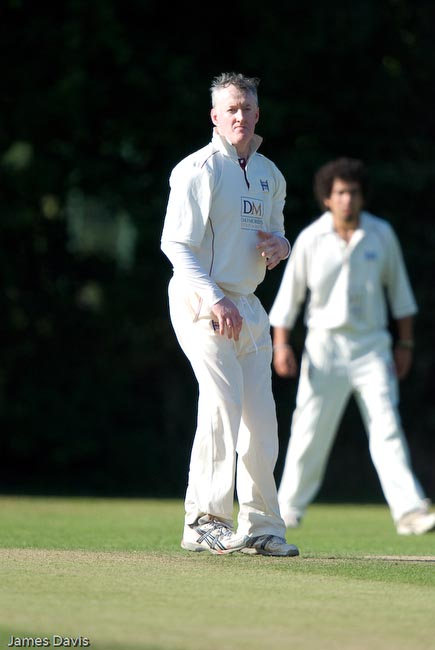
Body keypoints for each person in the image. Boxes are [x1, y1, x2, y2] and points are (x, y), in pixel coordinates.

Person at [160, 72, 299, 556]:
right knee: (222, 404)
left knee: (261, 422)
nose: (240, 116)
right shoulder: (197, 169)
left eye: (247, 108)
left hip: (248, 306)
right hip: (201, 301)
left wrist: (281, 247)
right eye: (231, 109)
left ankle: (261, 526)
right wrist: (214, 298)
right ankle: (204, 521)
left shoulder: (269, 174)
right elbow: (175, 244)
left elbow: (276, 234)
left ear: (258, 115)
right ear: (215, 116)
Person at [269, 157, 435, 536]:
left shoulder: (381, 234)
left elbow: (401, 297)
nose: (347, 200)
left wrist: (405, 344)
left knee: (386, 426)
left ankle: (409, 511)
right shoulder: (311, 238)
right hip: (324, 346)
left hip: (371, 346)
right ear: (327, 198)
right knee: (309, 430)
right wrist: (281, 346)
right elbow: (288, 301)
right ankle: (286, 511)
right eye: (340, 193)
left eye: (353, 193)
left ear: (362, 197)